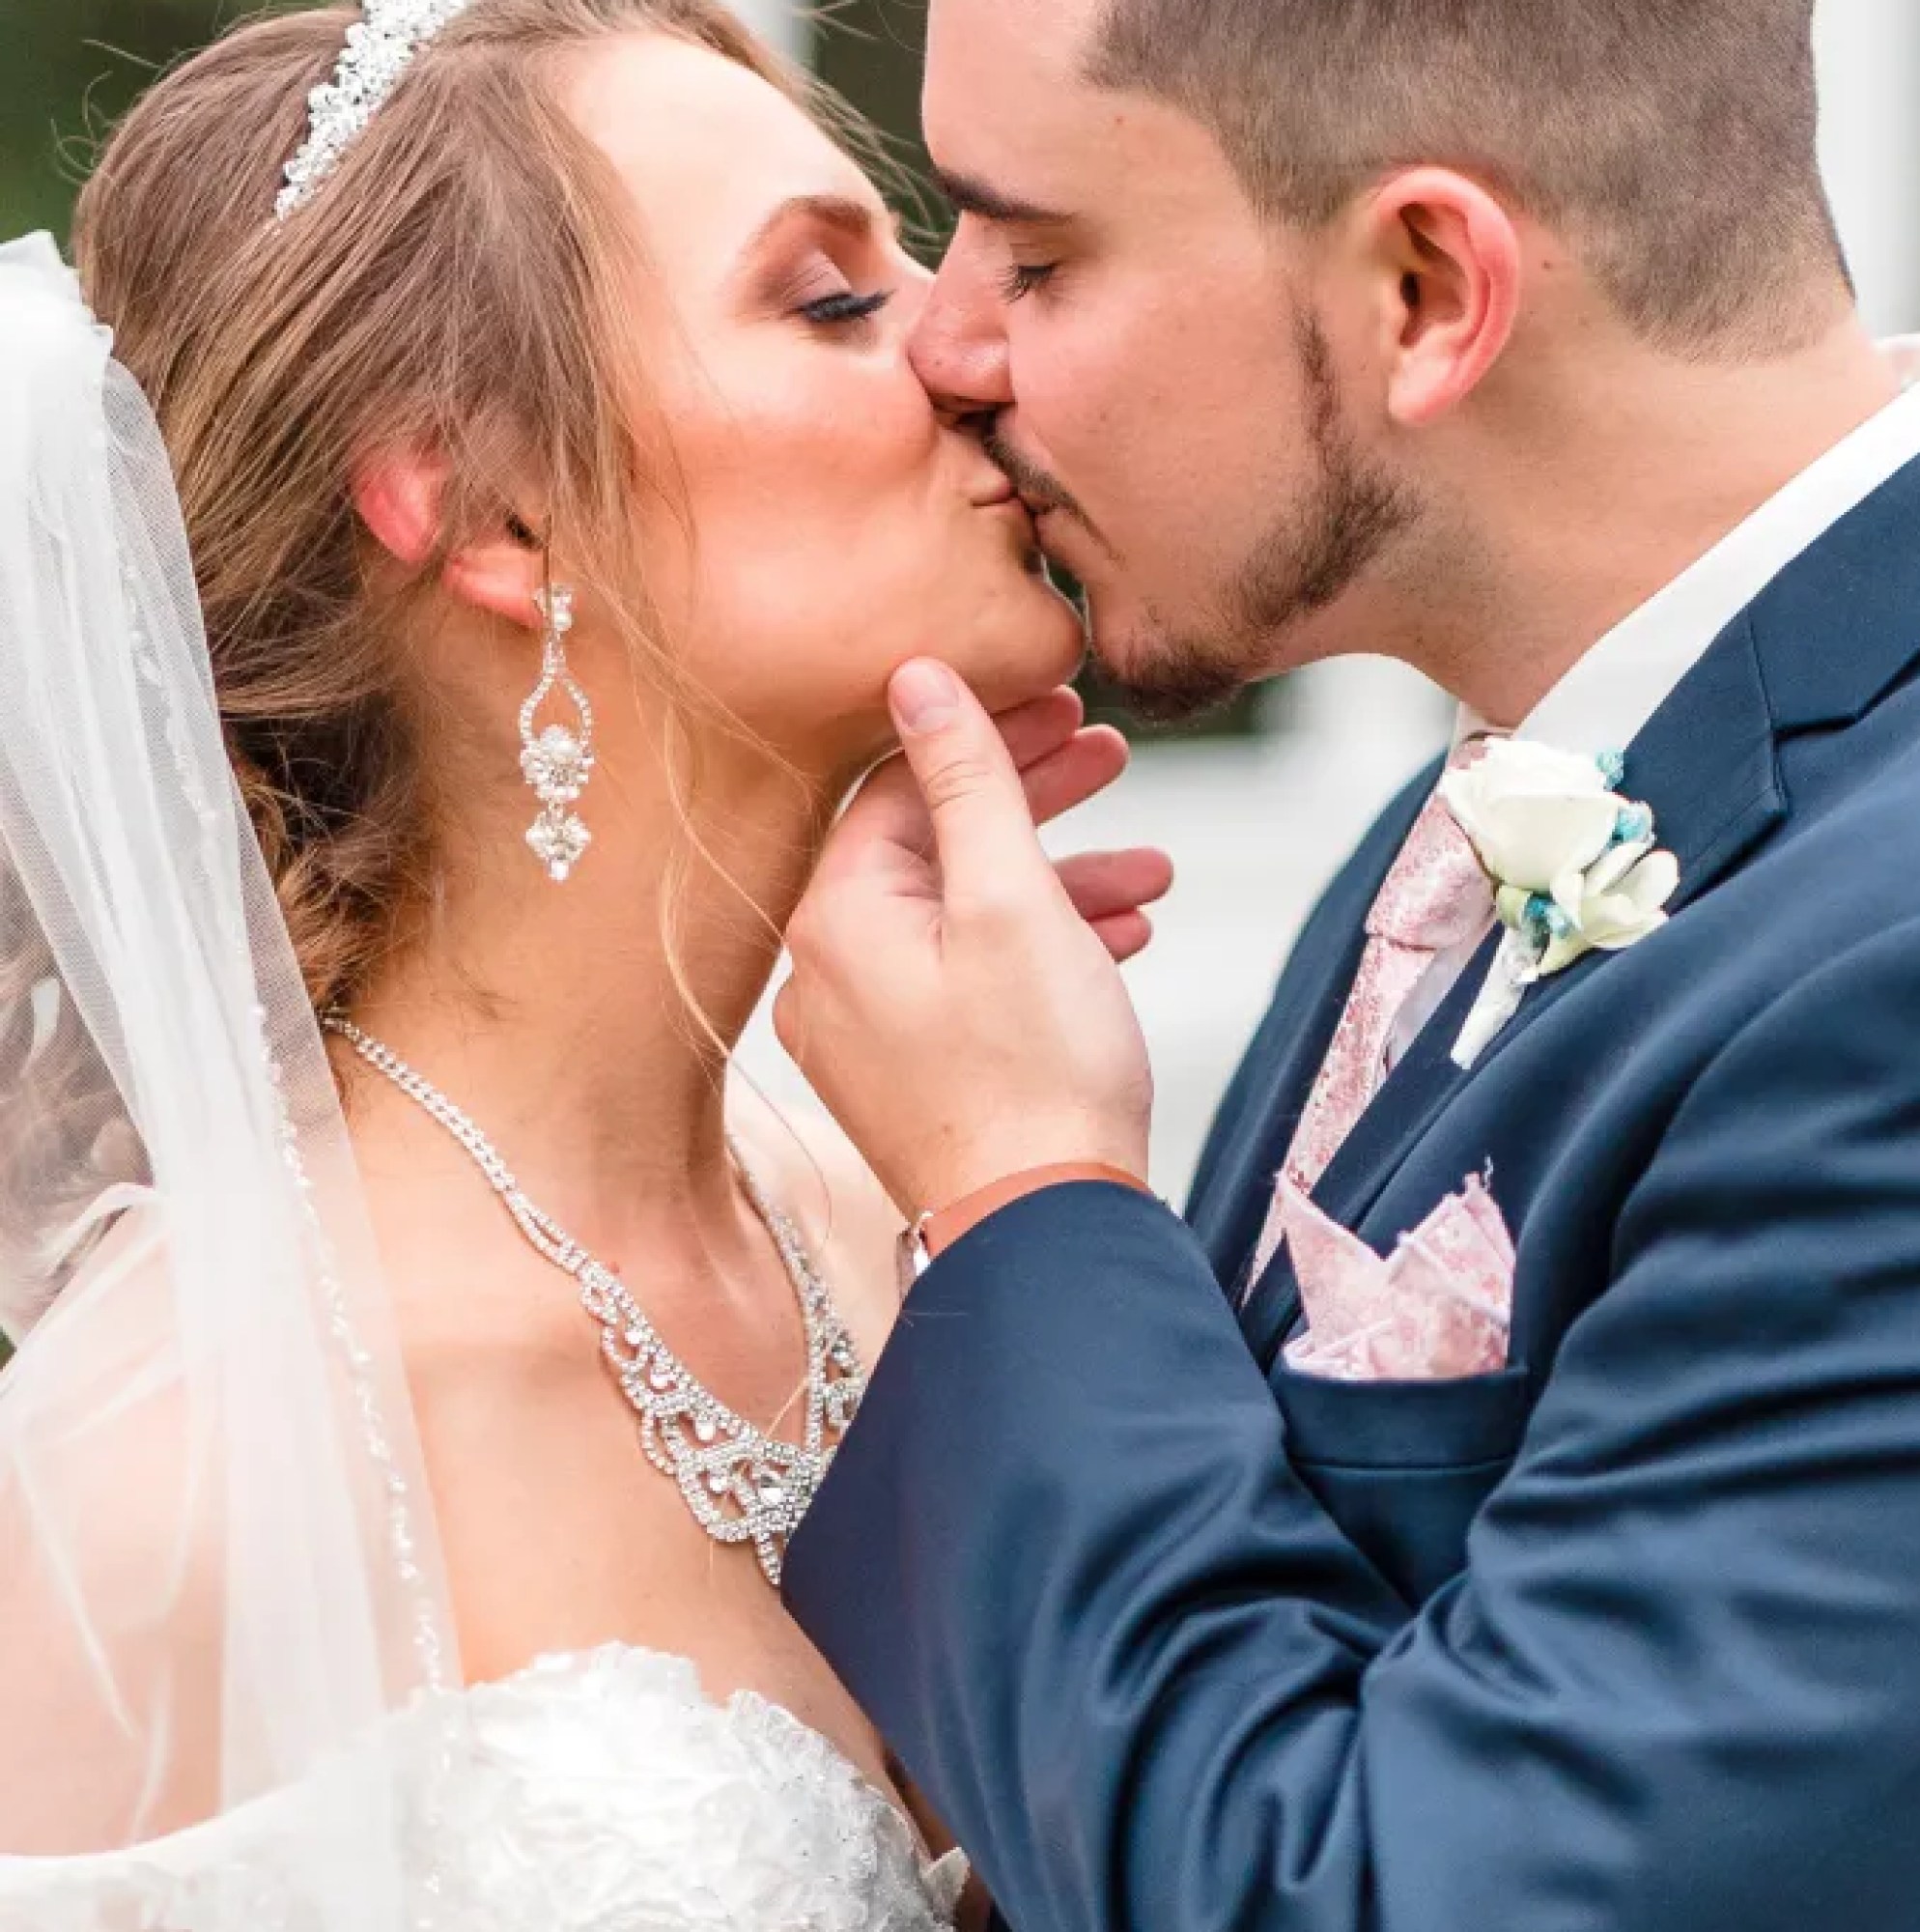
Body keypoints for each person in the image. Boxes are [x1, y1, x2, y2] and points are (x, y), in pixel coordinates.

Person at [0, 4, 1169, 1926]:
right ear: (485, 512)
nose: (970, 352)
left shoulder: (935, 1204)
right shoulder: (174, 1478)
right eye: (827, 299)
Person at [776, 1, 1920, 1927]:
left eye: (1037, 256)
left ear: (1422, 291)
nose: (945, 346)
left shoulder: (1890, 978)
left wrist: (1021, 1188)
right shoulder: (1487, 811)